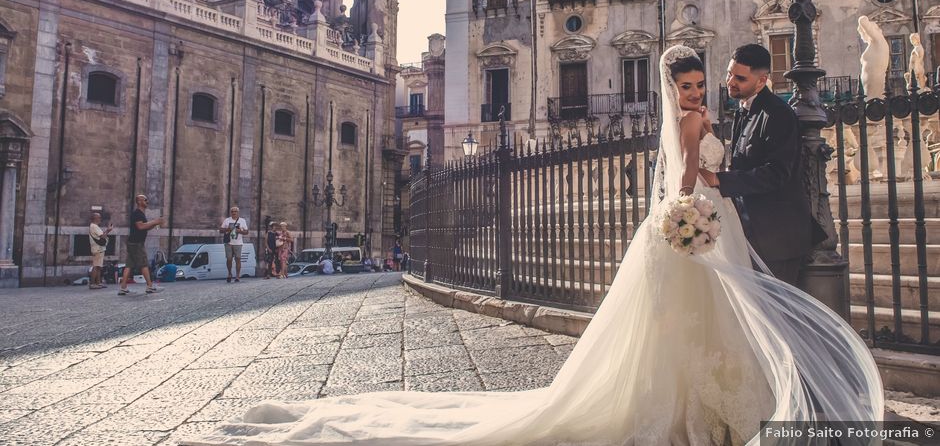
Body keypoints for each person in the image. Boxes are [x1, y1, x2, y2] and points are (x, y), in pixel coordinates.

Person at [194, 46, 882, 445]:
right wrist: (696, 208)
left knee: (685, 326)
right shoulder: (696, 123)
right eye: (692, 85)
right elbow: (682, 182)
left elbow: (696, 177)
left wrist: (702, 193)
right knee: (689, 325)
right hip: (695, 228)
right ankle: (700, 409)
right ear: (677, 87)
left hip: (697, 226)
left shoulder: (701, 118)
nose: (701, 92)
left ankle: (704, 404)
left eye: (706, 83)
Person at [698, 44, 825, 287]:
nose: (730, 82)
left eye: (740, 78)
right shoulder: (743, 111)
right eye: (729, 73)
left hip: (778, 237)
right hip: (752, 232)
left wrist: (720, 180)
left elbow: (777, 173)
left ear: (761, 80)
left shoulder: (778, 113)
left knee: (776, 316)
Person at [119, 195, 163, 296]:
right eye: (145, 200)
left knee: (129, 265)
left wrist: (154, 224)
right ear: (139, 202)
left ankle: (123, 288)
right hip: (136, 243)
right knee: (144, 264)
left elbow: (145, 227)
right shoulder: (137, 214)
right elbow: (140, 226)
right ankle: (150, 286)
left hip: (133, 242)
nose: (147, 201)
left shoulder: (140, 214)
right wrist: (155, 221)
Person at [219, 206, 248, 283]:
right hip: (228, 242)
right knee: (229, 259)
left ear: (238, 212)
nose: (234, 213)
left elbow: (246, 232)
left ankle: (237, 276)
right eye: (232, 211)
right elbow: (221, 230)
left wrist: (240, 231)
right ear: (230, 212)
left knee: (238, 259)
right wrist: (227, 229)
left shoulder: (242, 221)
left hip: (238, 243)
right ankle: (229, 274)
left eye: (235, 211)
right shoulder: (227, 220)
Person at [88, 212, 112, 289]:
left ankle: (98, 283)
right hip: (98, 249)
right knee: (96, 266)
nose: (100, 219)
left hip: (99, 249)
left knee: (98, 266)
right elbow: (103, 236)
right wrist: (108, 230)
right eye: (99, 217)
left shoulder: (94, 226)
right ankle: (92, 284)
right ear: (95, 218)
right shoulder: (94, 226)